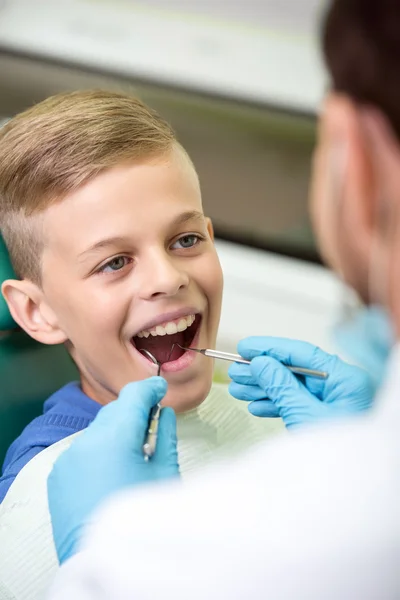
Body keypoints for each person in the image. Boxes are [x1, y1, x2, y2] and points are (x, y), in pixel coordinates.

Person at [44, 0, 400, 598]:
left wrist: (101, 561)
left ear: (353, 158)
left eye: (186, 240)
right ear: (36, 311)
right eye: (113, 261)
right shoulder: (38, 482)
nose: (166, 278)